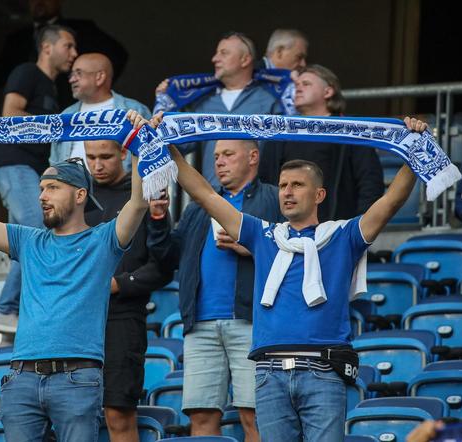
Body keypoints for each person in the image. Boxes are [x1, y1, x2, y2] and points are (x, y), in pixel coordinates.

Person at [146, 112, 427, 440]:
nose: (287, 192)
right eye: (282, 186)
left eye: (297, 185)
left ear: (319, 194)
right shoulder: (263, 234)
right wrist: (168, 148)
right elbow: (205, 195)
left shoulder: (342, 236)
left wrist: (414, 149)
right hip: (268, 373)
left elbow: (391, 202)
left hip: (323, 372)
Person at [0, 110, 150, 441]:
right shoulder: (28, 239)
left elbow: (138, 202)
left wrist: (137, 144)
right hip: (21, 379)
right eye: (40, 188)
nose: (41, 196)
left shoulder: (103, 240)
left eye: (52, 188)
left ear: (79, 195)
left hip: (77, 378)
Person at [147, 139, 283, 442]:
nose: (219, 161)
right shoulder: (198, 207)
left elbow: (299, 251)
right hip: (200, 325)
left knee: (255, 415)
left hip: (253, 322)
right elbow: (168, 257)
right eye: (216, 156)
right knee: (202, 414)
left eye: (228, 155)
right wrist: (158, 219)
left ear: (253, 157)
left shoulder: (274, 199)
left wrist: (254, 248)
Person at [0, 24, 77, 335]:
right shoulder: (27, 72)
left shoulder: (52, 88)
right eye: (69, 45)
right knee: (37, 231)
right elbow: (10, 113)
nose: (73, 54)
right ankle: (6, 308)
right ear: (47, 48)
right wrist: (53, 129)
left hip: (31, 169)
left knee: (23, 241)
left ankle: (12, 319)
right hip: (15, 164)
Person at [83, 139, 173, 442]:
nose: (97, 165)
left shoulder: (145, 195)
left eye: (105, 157)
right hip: (78, 318)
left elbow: (162, 267)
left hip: (123, 317)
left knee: (118, 414)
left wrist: (118, 284)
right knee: (73, 414)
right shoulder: (77, 194)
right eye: (91, 157)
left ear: (124, 153)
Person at [259, 64, 385, 221]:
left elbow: (370, 183)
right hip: (285, 235)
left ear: (328, 91)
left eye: (306, 84)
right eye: (296, 85)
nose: (297, 89)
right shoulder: (280, 133)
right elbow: (265, 185)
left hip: (337, 233)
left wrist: (358, 229)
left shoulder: (351, 130)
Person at [155, 32, 281, 186]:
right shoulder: (203, 102)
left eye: (224, 53)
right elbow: (179, 145)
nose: (215, 59)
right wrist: (164, 105)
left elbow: (282, 152)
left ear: (245, 59)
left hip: (256, 198)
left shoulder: (269, 100)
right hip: (213, 198)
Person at [0, 0, 128, 108]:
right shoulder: (18, 39)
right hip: (28, 115)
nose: (38, 2)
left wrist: (98, 86)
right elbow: (1, 73)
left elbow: (118, 54)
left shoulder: (81, 30)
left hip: (68, 108)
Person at [50, 53, 150, 171]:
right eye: (71, 74)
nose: (71, 79)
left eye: (78, 73)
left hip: (122, 189)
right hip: (73, 188)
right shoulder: (65, 115)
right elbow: (55, 164)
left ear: (100, 77)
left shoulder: (135, 110)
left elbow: (152, 156)